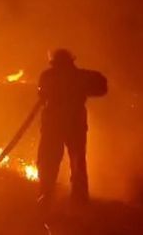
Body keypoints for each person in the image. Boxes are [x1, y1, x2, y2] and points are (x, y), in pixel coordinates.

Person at [36, 49, 107, 210]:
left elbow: (41, 95)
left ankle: (46, 195)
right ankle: (78, 200)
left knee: (49, 161)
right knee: (76, 162)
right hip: (74, 124)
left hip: (55, 125)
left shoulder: (48, 76)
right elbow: (102, 87)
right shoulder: (80, 76)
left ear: (53, 63)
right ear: (71, 61)